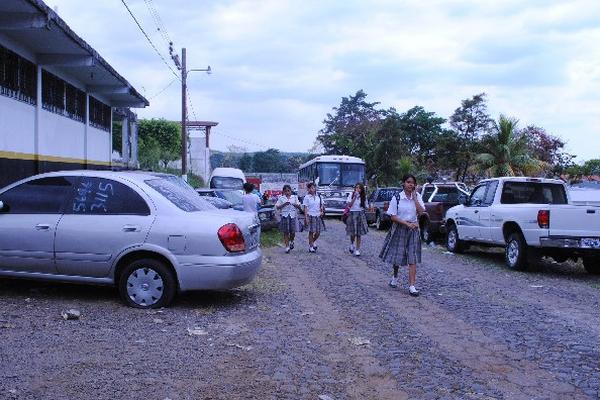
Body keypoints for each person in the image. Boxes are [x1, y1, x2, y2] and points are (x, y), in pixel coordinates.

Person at [379, 174, 425, 297]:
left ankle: (412, 286)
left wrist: (415, 198)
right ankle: (395, 276)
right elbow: (393, 216)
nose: (411, 184)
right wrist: (406, 223)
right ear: (403, 183)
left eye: (413, 183)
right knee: (397, 255)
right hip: (400, 228)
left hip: (413, 229)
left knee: (413, 257)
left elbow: (421, 212)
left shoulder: (418, 197)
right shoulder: (397, 198)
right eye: (408, 182)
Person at [275, 184, 301, 253]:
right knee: (285, 231)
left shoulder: (294, 197)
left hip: (292, 215)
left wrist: (294, 204)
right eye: (285, 191)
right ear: (283, 191)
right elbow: (277, 207)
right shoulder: (281, 198)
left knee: (292, 231)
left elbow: (299, 206)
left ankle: (292, 241)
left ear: (291, 191)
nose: (287, 192)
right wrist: (284, 204)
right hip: (285, 215)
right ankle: (287, 246)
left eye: (288, 191)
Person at [346, 182, 369, 256]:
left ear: (362, 189)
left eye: (359, 188)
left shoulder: (364, 196)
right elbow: (349, 205)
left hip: (360, 214)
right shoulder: (351, 194)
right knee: (352, 232)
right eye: (356, 187)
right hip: (352, 214)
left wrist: (368, 207)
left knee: (359, 233)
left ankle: (357, 249)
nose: (358, 189)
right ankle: (352, 243)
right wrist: (354, 197)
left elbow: (366, 206)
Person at [303, 182, 325, 253]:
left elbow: (322, 205)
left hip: (318, 216)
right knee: (311, 231)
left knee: (318, 232)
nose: (313, 189)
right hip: (310, 215)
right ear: (308, 189)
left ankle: (312, 242)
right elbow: (305, 208)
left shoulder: (319, 196)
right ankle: (311, 246)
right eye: (311, 188)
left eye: (314, 187)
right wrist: (306, 218)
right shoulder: (307, 197)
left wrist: (322, 211)